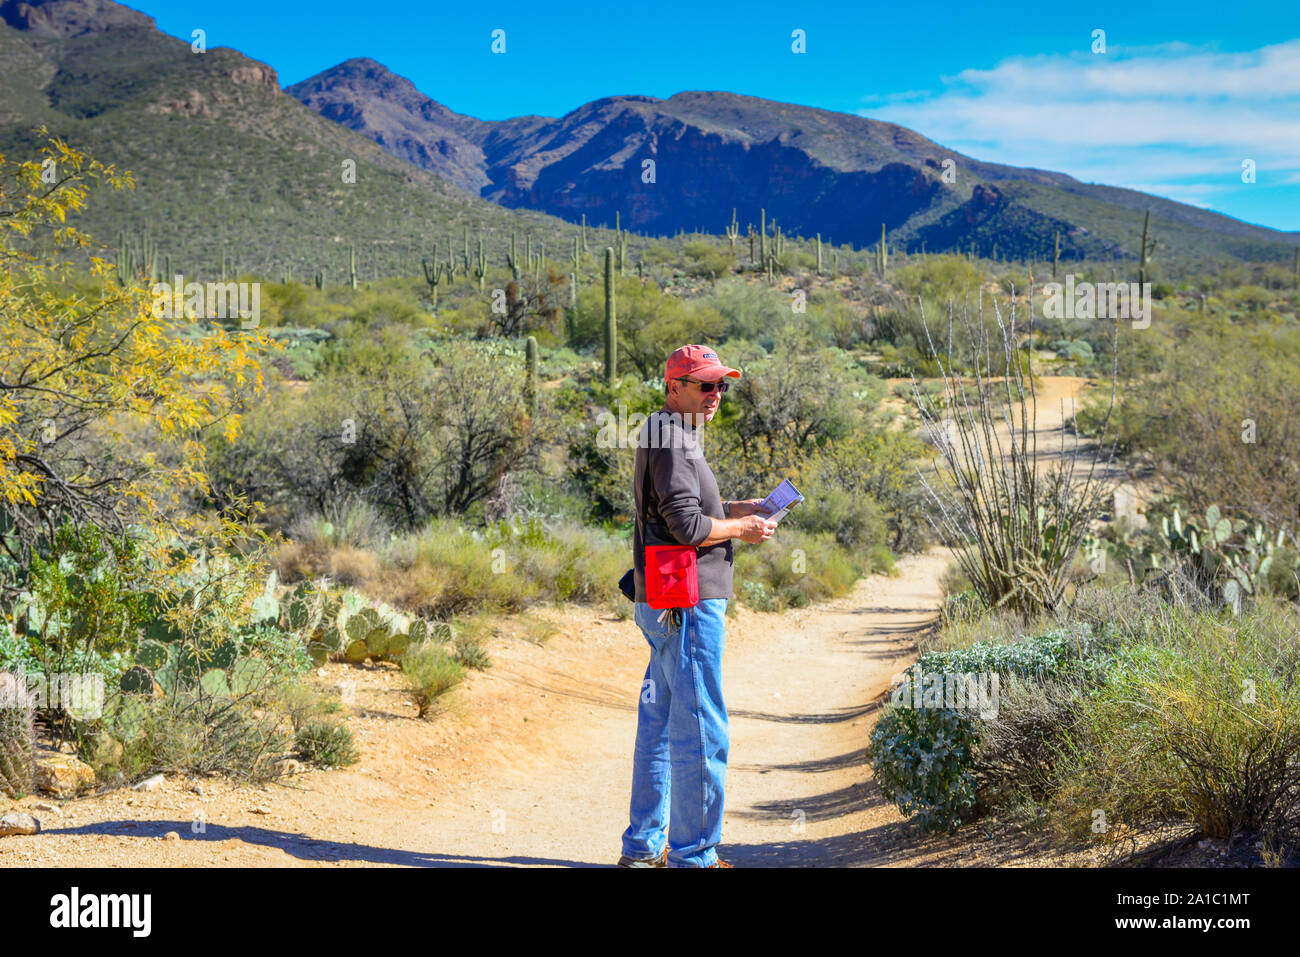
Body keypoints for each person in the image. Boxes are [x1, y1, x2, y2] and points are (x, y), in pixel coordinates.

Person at [617, 344, 777, 868]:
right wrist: (744, 529)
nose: (716, 395)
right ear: (674, 386)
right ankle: (694, 856)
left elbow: (679, 511)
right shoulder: (673, 439)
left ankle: (643, 848)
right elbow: (686, 527)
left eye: (721, 386)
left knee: (660, 723)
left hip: (662, 598)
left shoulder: (665, 432)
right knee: (702, 726)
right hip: (686, 601)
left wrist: (735, 509)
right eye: (705, 385)